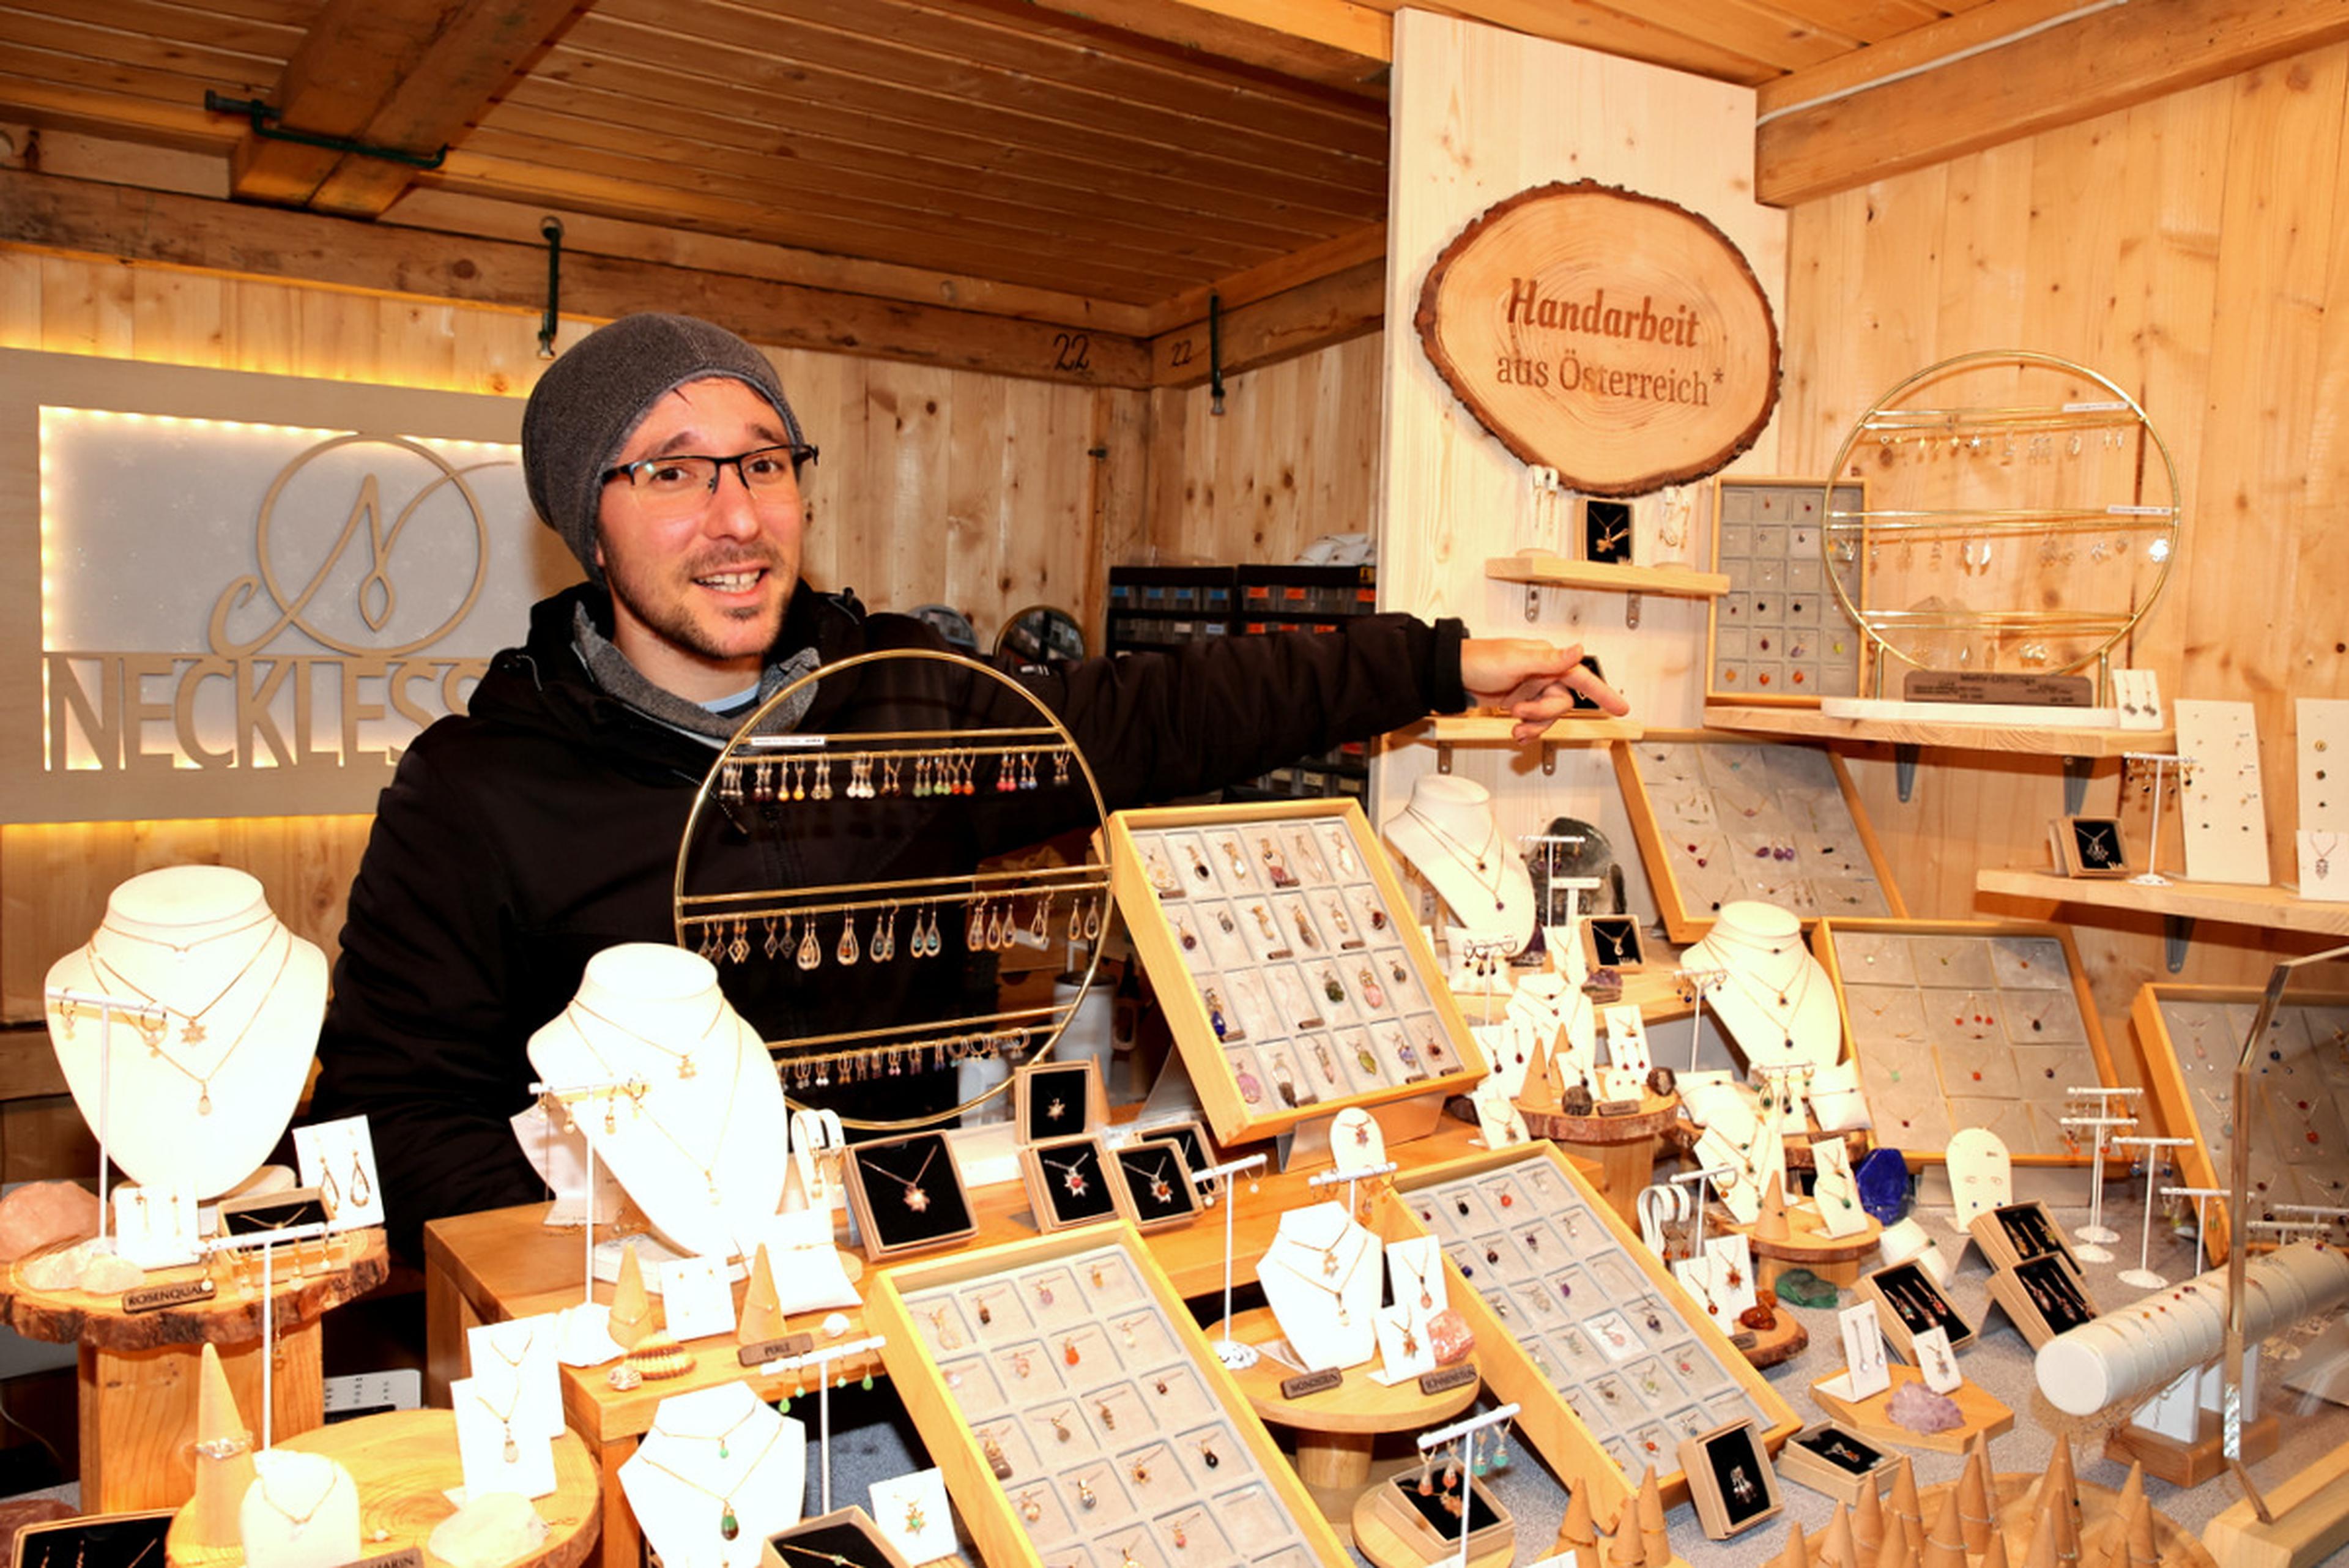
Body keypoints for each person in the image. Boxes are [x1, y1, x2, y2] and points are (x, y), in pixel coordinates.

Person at [308, 313, 1627, 1260]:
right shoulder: (475, 791)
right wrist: (600, 1259)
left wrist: (1440, 662)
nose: (738, 515)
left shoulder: (909, 697)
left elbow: (1164, 715)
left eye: (763, 462)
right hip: (637, 1346)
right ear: (586, 524)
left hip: (916, 1283)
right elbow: (398, 1110)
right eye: (671, 471)